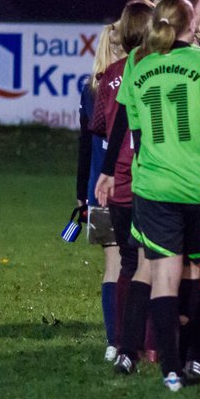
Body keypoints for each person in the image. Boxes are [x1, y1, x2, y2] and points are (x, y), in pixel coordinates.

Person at [96, 0, 200, 392]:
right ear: (189, 22)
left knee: (161, 273)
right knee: (195, 270)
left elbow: (126, 125)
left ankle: (171, 370)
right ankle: (189, 358)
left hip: (153, 184)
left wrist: (108, 173)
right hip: (199, 185)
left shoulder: (140, 66)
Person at [77, 20, 124, 362]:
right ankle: (137, 338)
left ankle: (115, 340)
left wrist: (82, 193)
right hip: (135, 188)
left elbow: (85, 144)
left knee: (114, 264)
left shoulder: (91, 89)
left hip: (101, 190)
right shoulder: (140, 78)